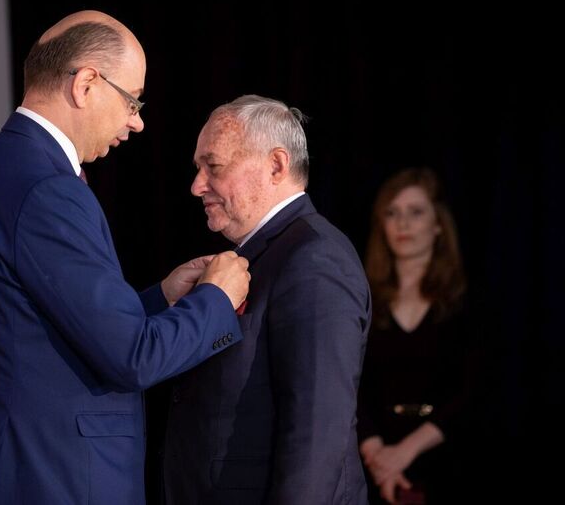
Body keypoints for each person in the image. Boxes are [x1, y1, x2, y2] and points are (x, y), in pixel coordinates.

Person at [0, 10, 250, 505]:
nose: (137, 122)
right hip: (44, 480)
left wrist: (162, 299)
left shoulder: (9, 165)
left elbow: (46, 331)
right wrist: (216, 299)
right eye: (132, 100)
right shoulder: (46, 188)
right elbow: (132, 357)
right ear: (85, 83)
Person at [161, 95, 371, 504]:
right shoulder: (266, 252)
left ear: (276, 165)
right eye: (197, 168)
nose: (197, 185)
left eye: (213, 167)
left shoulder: (314, 258)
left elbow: (317, 432)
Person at [357, 167, 482, 504]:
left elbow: (475, 390)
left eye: (416, 212)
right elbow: (347, 384)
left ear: (438, 223)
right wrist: (378, 457)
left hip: (450, 460)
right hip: (372, 463)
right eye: (392, 213)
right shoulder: (362, 300)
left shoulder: (465, 302)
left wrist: (405, 452)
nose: (403, 224)